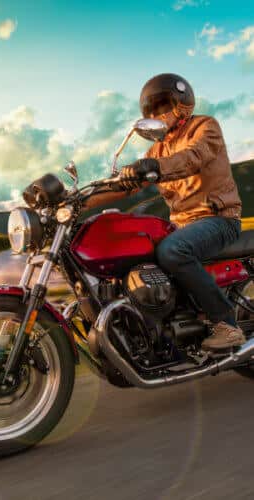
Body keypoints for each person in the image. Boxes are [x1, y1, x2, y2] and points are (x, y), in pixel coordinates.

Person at [86, 73, 245, 351]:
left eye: (164, 105)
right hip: (183, 226)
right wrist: (78, 202)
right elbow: (128, 186)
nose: (160, 114)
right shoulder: (157, 149)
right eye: (154, 110)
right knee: (137, 254)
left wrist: (155, 167)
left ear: (182, 104)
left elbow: (193, 157)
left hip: (218, 220)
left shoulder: (205, 127)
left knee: (172, 251)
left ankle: (227, 325)